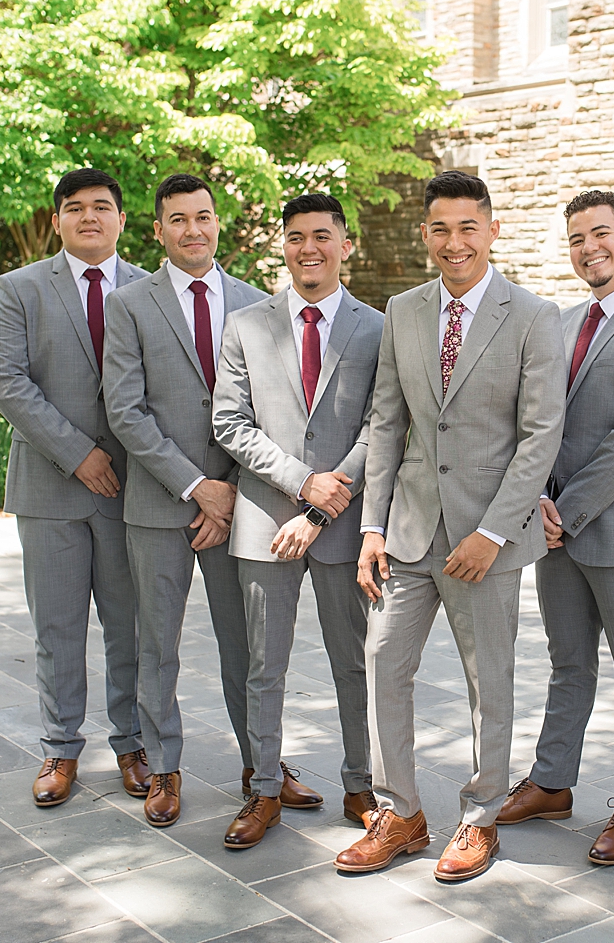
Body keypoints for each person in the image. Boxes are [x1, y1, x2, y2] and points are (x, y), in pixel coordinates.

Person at [335, 170, 565, 882]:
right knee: (383, 664)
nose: (454, 241)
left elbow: (540, 434)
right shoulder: (402, 311)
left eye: (468, 226)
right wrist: (372, 528)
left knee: (486, 683)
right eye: (440, 228)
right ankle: (400, 813)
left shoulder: (532, 315)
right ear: (425, 234)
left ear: (493, 230)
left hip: (485, 544)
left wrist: (492, 532)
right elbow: (386, 421)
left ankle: (480, 819)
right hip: (408, 531)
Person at [103, 174, 309, 828]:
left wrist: (229, 493)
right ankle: (164, 770)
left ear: (218, 222)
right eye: (179, 220)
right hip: (161, 504)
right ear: (158, 230)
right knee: (155, 643)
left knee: (246, 647)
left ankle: (263, 768)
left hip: (240, 505)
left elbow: (268, 414)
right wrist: (197, 487)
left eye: (204, 217)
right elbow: (126, 411)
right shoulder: (129, 306)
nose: (194, 230)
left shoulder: (259, 305)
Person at [497, 190, 614, 866]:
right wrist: (537, 505)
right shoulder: (563, 320)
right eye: (576, 238)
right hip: (555, 532)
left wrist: (562, 513)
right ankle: (552, 781)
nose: (588, 247)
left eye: (600, 233)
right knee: (567, 664)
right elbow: (540, 421)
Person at [212, 193, 384, 848]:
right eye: (295, 237)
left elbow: (382, 425)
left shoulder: (377, 327)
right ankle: (261, 792)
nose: (307, 248)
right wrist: (299, 483)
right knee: (264, 668)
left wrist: (323, 500)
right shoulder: (246, 326)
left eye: (321, 235)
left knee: (355, 665)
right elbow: (228, 422)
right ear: (281, 246)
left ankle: (362, 785)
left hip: (345, 527)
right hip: (263, 521)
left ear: (346, 244)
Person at [0, 168, 151, 808]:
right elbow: (9, 383)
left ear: (121, 219)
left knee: (128, 625)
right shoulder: (20, 289)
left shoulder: (152, 289)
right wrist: (78, 454)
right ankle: (59, 748)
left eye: (102, 207)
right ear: (57, 220)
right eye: (75, 208)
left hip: (131, 490)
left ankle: (132, 742)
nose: (89, 217)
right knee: (55, 627)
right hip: (50, 486)